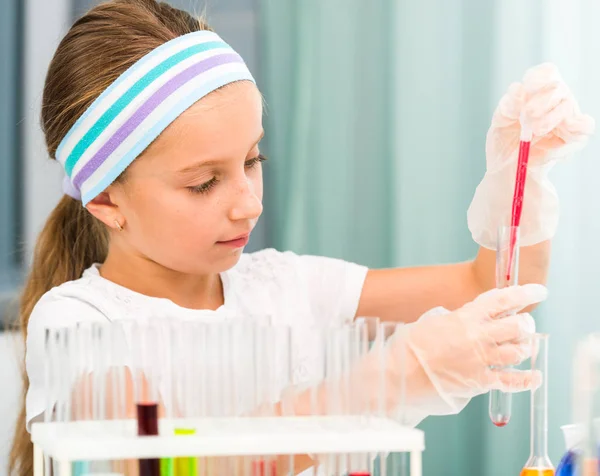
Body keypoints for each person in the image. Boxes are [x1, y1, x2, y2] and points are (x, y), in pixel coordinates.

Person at [9, 0, 594, 475]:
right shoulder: (80, 325)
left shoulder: (287, 286)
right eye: (204, 183)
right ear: (107, 201)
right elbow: (167, 466)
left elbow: (492, 288)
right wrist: (384, 383)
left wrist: (520, 175)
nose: (250, 202)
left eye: (253, 159)